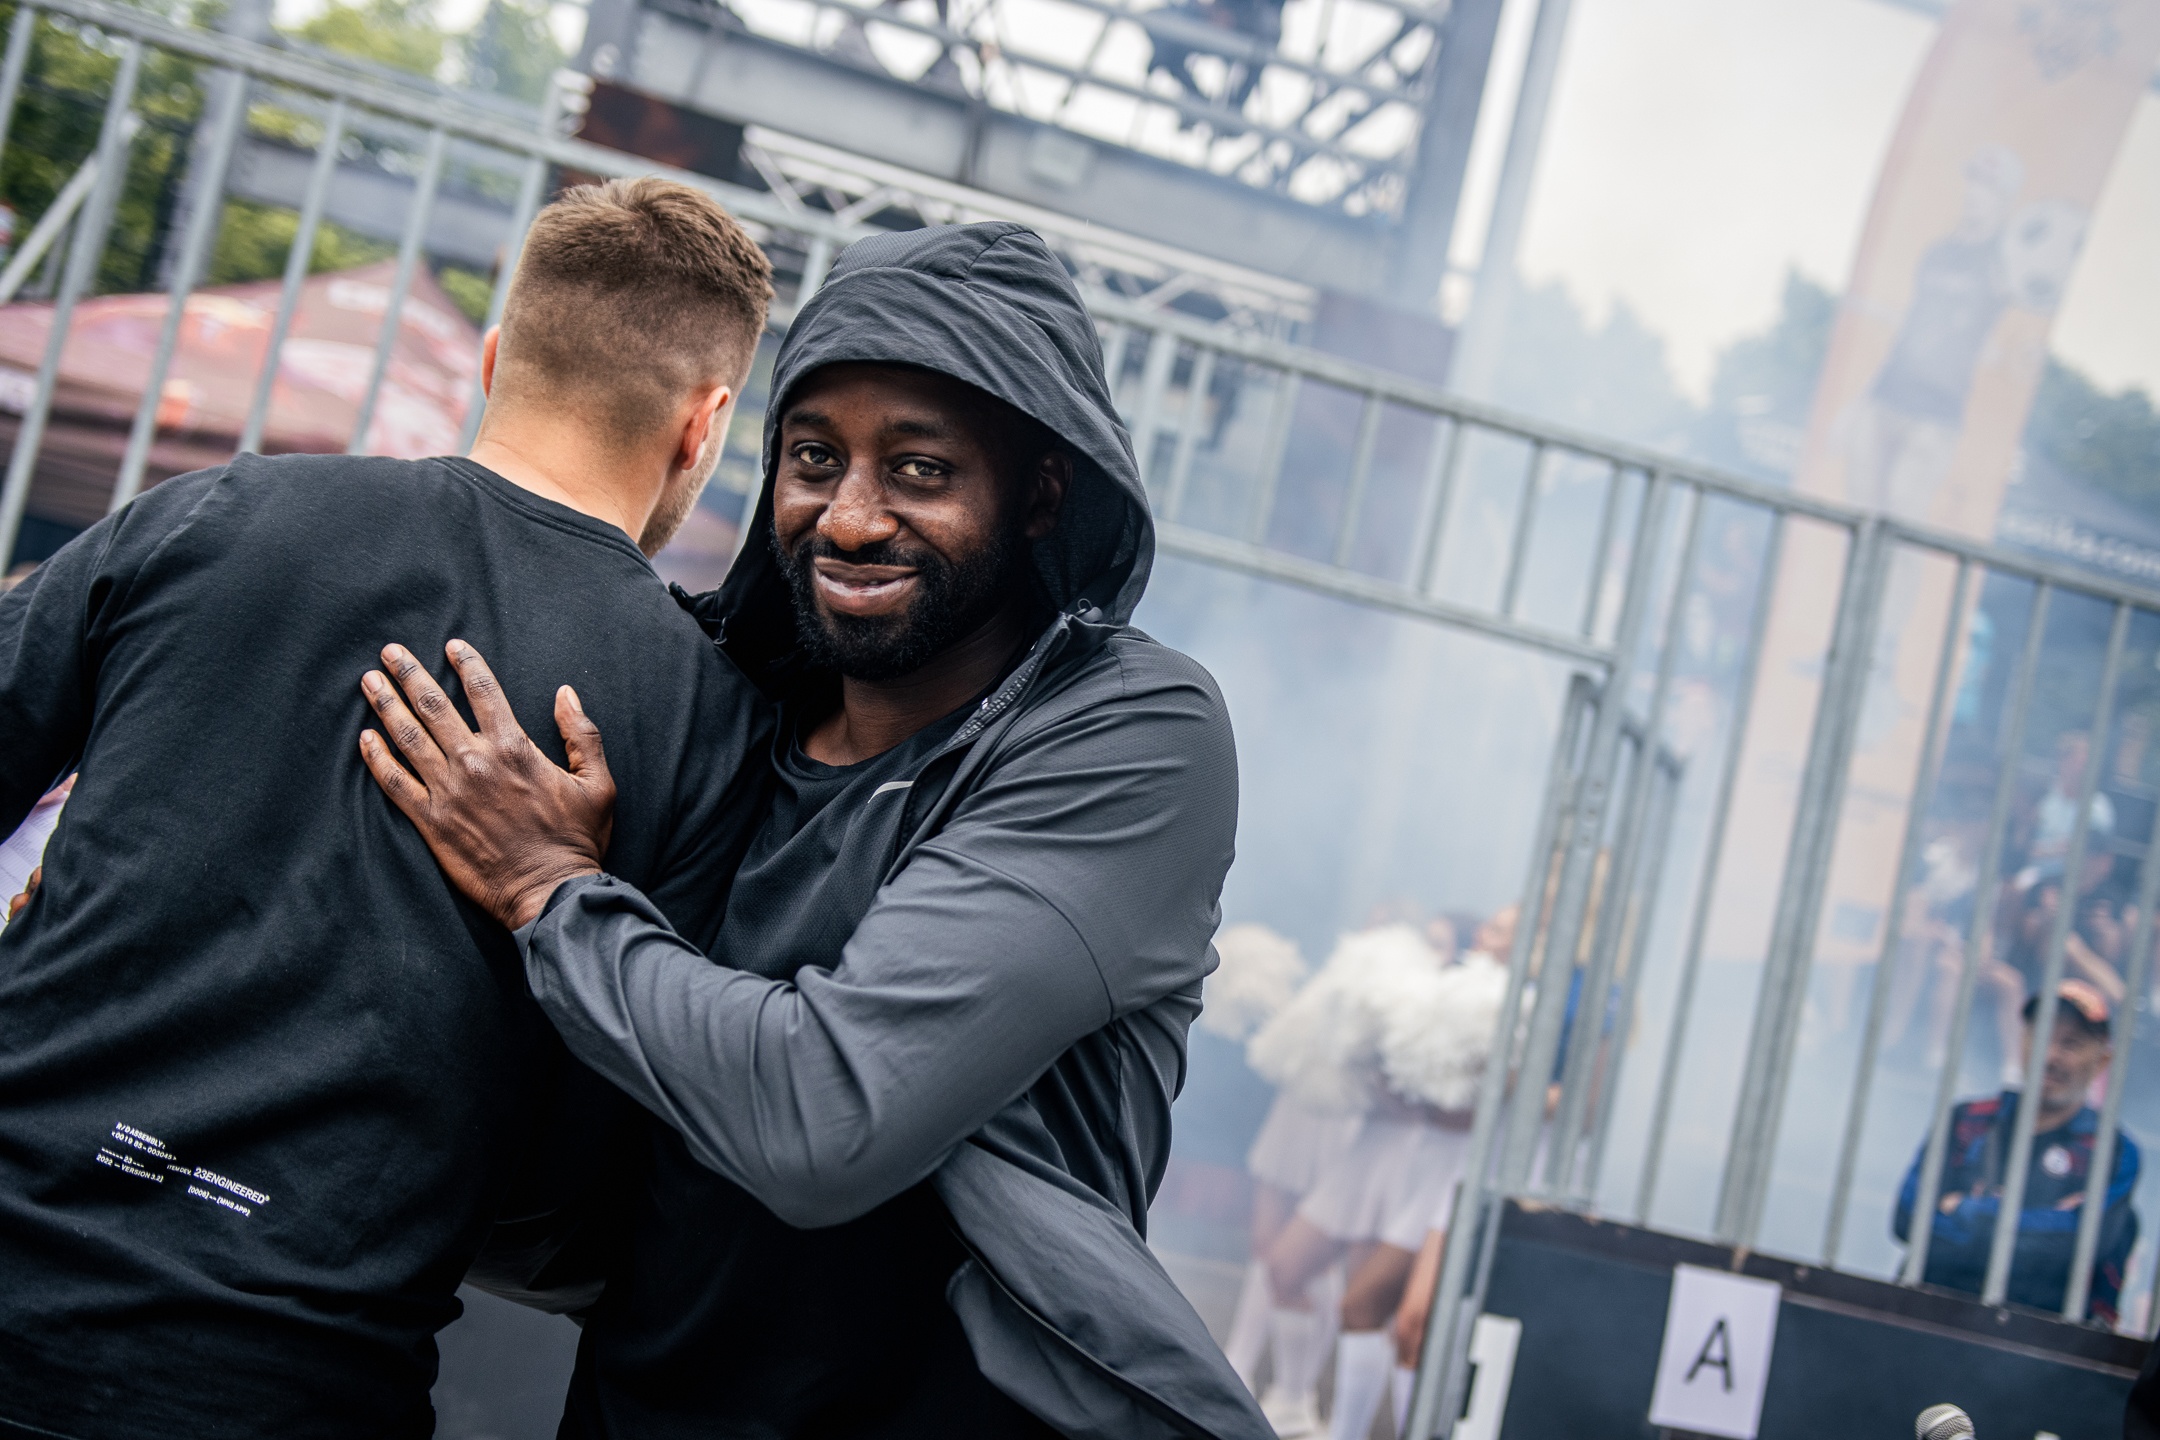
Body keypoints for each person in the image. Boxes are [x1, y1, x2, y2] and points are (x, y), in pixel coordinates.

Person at [357, 221, 1265, 1439]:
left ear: (1043, 494)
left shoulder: (1125, 732)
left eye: (921, 470)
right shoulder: (722, 709)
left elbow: (827, 1118)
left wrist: (551, 891)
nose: (848, 518)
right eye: (814, 457)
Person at [0, 177, 774, 1436]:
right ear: (705, 425)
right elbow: (601, 1148)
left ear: (494, 359)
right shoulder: (711, 722)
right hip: (289, 1384)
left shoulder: (218, 513)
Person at [1892, 979, 2139, 1323]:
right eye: (2041, 1036)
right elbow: (1907, 1217)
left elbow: (2083, 1245)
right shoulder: (1967, 1120)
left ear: (2101, 1060)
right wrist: (2040, 1224)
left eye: (2070, 1044)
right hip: (1934, 1314)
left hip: (2040, 1338)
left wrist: (1965, 1209)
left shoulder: (2111, 1151)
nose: (2050, 1056)